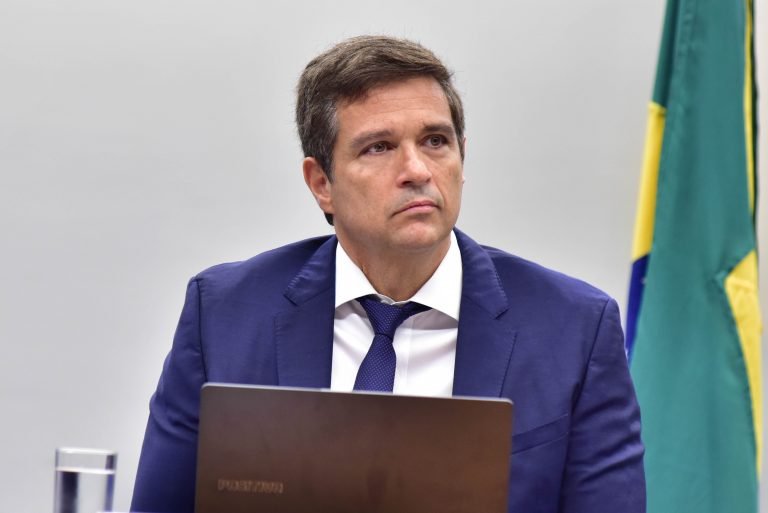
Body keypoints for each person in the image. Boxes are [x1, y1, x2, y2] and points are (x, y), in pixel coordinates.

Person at [131, 35, 645, 513]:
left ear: (462, 158)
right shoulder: (224, 313)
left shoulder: (574, 329)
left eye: (436, 141)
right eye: (378, 147)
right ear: (321, 183)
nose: (417, 170)